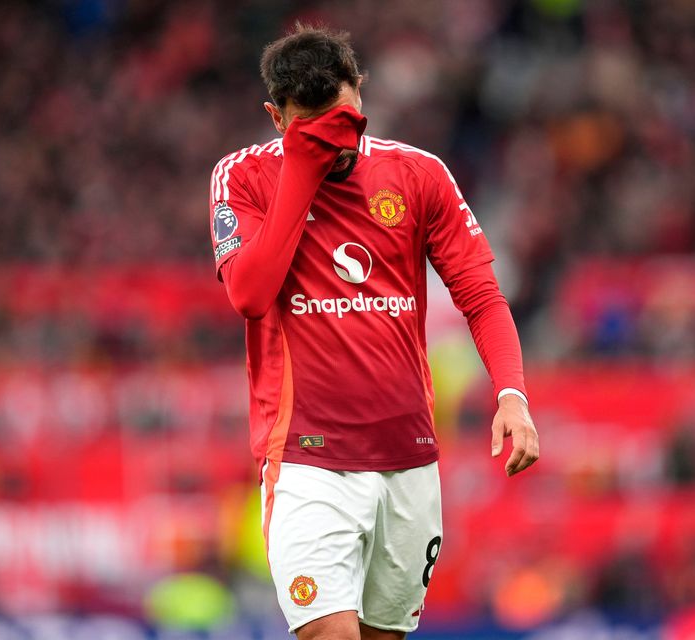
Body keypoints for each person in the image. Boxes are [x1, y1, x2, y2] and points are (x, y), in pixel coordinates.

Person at [208, 25, 539, 640]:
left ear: (361, 93)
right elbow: (250, 296)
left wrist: (511, 394)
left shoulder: (419, 175)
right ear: (274, 117)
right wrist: (301, 168)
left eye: (344, 117)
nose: (336, 140)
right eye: (313, 126)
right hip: (309, 462)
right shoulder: (245, 178)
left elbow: (481, 295)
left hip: (408, 460)